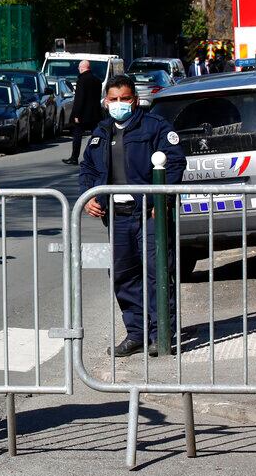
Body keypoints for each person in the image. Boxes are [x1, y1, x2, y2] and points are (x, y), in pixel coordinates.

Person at [79, 74, 185, 357]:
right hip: (117, 216)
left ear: (135, 100)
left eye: (124, 99)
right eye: (113, 100)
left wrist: (158, 200)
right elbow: (87, 169)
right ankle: (136, 333)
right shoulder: (101, 133)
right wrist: (89, 196)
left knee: (157, 274)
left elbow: (174, 162)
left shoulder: (155, 127)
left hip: (149, 214)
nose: (119, 104)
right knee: (123, 277)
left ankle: (161, 335)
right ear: (105, 102)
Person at [63, 60, 102, 165]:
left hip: (82, 114)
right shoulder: (97, 80)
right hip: (95, 114)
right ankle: (97, 157)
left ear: (81, 68)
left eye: (79, 67)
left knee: (77, 136)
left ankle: (74, 157)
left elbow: (79, 99)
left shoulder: (82, 80)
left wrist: (76, 114)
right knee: (96, 136)